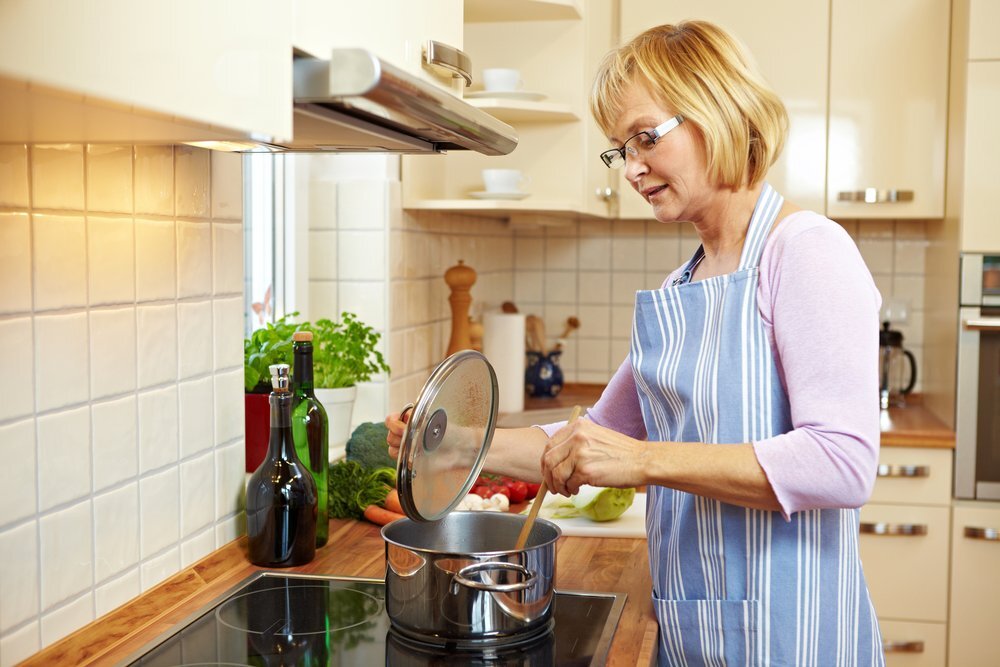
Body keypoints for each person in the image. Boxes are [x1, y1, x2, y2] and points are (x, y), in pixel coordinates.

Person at [387, 20, 884, 666]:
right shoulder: (684, 282)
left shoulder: (805, 251)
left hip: (796, 637)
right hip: (695, 631)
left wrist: (644, 460)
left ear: (718, 110)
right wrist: (446, 444)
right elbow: (585, 440)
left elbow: (843, 459)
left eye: (646, 137)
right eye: (620, 148)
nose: (631, 167)